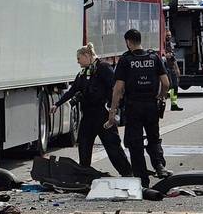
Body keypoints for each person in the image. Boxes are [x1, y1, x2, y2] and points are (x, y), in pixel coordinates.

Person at [54, 43, 131, 176]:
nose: (77, 62)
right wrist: (57, 104)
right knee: (84, 143)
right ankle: (84, 173)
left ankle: (127, 173)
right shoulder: (83, 73)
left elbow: (115, 88)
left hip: (103, 114)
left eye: (79, 58)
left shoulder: (103, 68)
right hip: (88, 115)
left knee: (112, 147)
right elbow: (73, 90)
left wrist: (114, 109)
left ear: (87, 55)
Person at [106, 29, 171, 187]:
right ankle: (159, 165)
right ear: (140, 40)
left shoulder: (126, 60)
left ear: (128, 42)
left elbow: (118, 88)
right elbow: (166, 83)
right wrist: (160, 97)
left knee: (135, 143)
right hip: (151, 105)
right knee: (154, 137)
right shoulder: (154, 57)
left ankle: (142, 180)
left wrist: (112, 111)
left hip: (133, 106)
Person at [164, 35, 183, 111]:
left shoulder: (170, 45)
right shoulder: (162, 45)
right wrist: (165, 55)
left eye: (170, 35)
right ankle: (162, 103)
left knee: (175, 86)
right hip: (165, 68)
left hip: (172, 68)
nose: (169, 37)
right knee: (169, 86)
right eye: (167, 35)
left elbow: (173, 58)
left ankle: (174, 104)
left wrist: (177, 69)